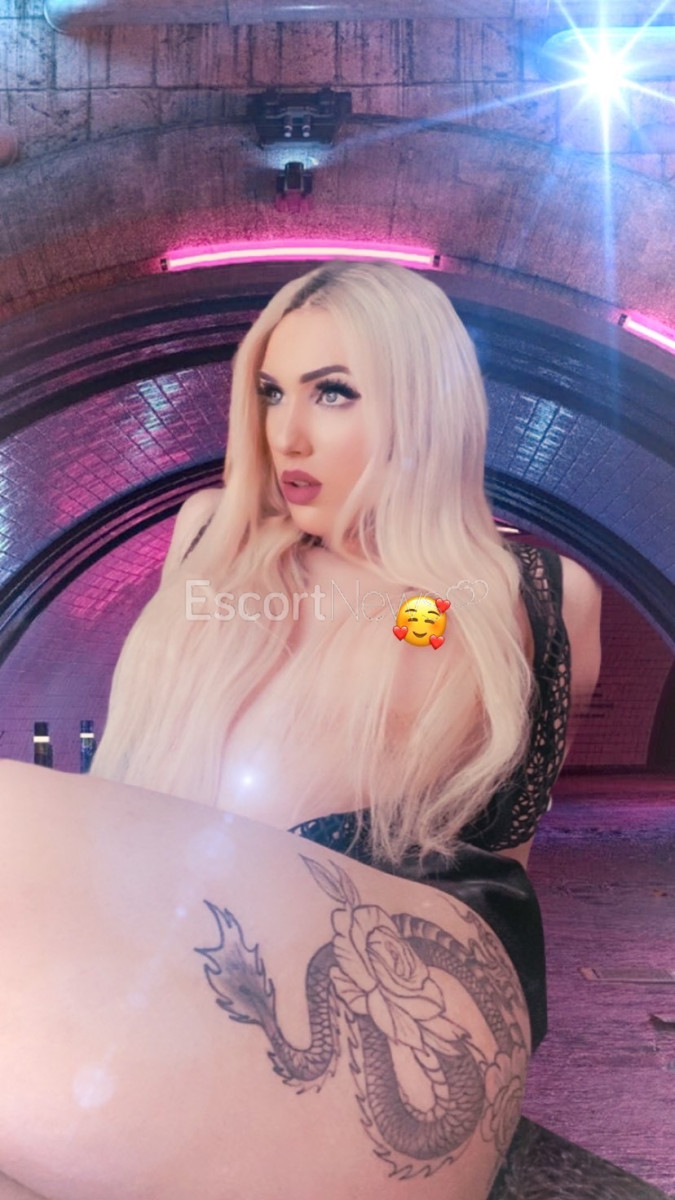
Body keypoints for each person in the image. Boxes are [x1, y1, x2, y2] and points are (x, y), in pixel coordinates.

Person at [0, 260, 602, 1199]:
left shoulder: (533, 595)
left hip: (408, 990)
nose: (285, 433)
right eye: (271, 391)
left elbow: (507, 853)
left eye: (333, 392)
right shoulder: (215, 540)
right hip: (190, 960)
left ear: (424, 403)